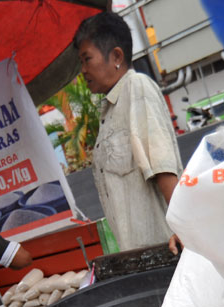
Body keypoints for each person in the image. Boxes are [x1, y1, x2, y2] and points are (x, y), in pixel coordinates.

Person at [74, 11, 183, 254]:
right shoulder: (110, 109)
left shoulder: (137, 87)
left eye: (87, 59)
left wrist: (184, 228)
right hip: (138, 256)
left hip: (167, 252)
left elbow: (162, 165)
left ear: (116, 56)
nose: (83, 70)